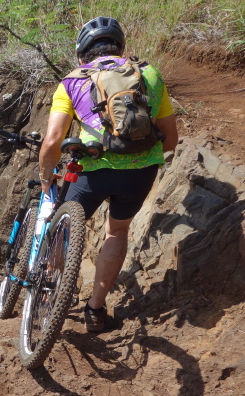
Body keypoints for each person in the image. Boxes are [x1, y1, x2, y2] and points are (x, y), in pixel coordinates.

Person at [38, 16, 178, 332]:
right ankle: (95, 310)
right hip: (140, 171)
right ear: (121, 47)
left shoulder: (72, 81)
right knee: (117, 232)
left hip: (90, 170)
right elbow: (171, 139)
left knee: (64, 229)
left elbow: (52, 142)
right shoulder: (150, 74)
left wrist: (47, 177)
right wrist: (143, 157)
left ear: (82, 54)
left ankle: (46, 303)